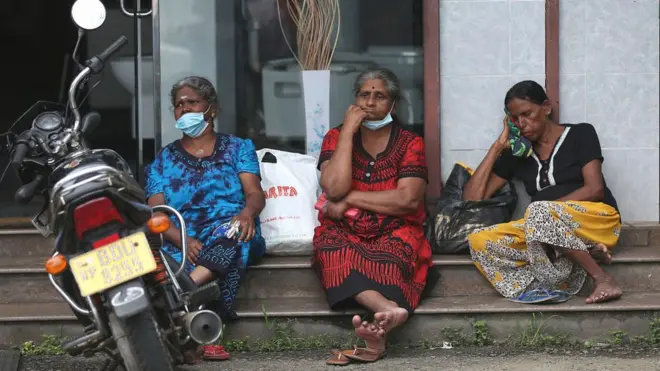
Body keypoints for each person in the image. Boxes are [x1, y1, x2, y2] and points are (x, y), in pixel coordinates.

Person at [464, 80, 622, 305]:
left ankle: (603, 279)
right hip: (542, 226)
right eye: (515, 118)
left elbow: (594, 189)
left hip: (596, 220)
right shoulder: (519, 153)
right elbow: (472, 200)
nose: (522, 123)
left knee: (537, 212)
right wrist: (498, 146)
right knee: (479, 240)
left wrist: (545, 214)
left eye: (527, 114)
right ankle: (544, 284)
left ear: (546, 107)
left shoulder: (580, 133)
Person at [313, 68, 432, 364]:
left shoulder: (410, 142)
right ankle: (387, 312)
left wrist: (350, 198)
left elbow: (407, 199)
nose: (370, 102)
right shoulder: (336, 136)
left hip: (395, 228)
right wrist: (348, 133)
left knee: (393, 256)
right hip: (344, 229)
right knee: (333, 250)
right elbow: (334, 187)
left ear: (393, 104)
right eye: (364, 95)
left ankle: (378, 329)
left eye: (380, 96)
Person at [145, 76, 266, 362]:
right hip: (181, 236)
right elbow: (157, 212)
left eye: (192, 102)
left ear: (211, 108)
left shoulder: (239, 148)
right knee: (222, 262)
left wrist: (247, 213)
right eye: (179, 105)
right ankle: (206, 332)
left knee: (231, 238)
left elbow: (254, 193)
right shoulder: (162, 159)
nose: (185, 109)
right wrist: (182, 238)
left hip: (232, 228)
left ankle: (185, 290)